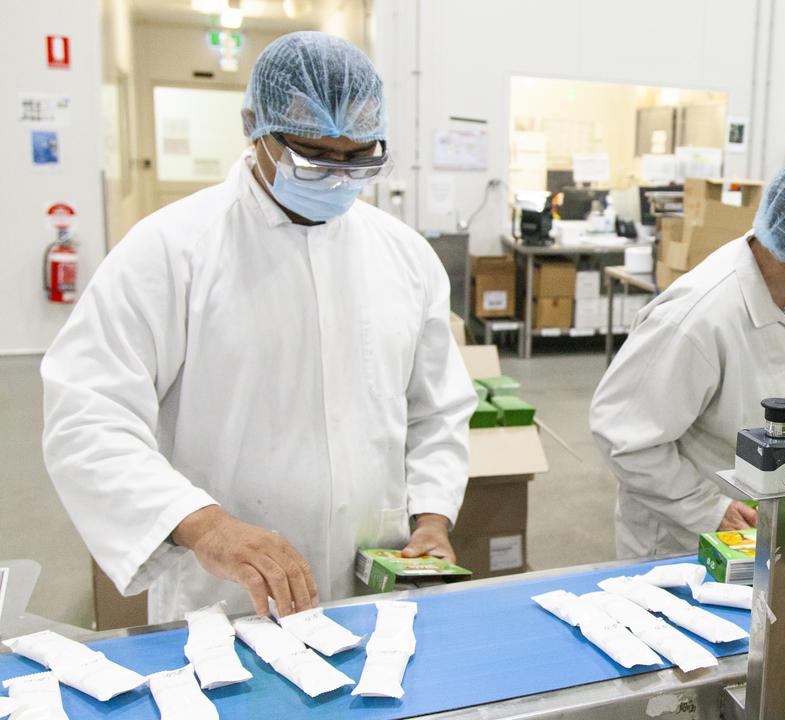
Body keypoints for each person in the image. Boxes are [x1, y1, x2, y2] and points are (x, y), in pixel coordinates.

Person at [41, 32, 475, 623]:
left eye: (359, 158)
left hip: (375, 586)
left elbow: (437, 409)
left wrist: (430, 519)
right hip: (222, 598)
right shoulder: (171, 250)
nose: (337, 177)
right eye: (312, 156)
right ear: (254, 127)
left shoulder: (404, 255)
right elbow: (88, 415)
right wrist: (206, 526)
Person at [591, 141, 785, 558]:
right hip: (683, 541)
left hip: (766, 529)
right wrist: (709, 509)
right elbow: (623, 438)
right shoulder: (696, 318)